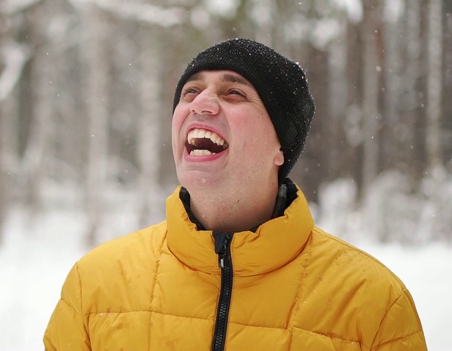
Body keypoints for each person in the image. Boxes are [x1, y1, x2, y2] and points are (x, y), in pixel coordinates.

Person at [43, 38, 427, 350]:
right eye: (190, 91)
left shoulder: (372, 303)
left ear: (281, 145)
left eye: (234, 93)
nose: (201, 104)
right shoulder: (95, 286)